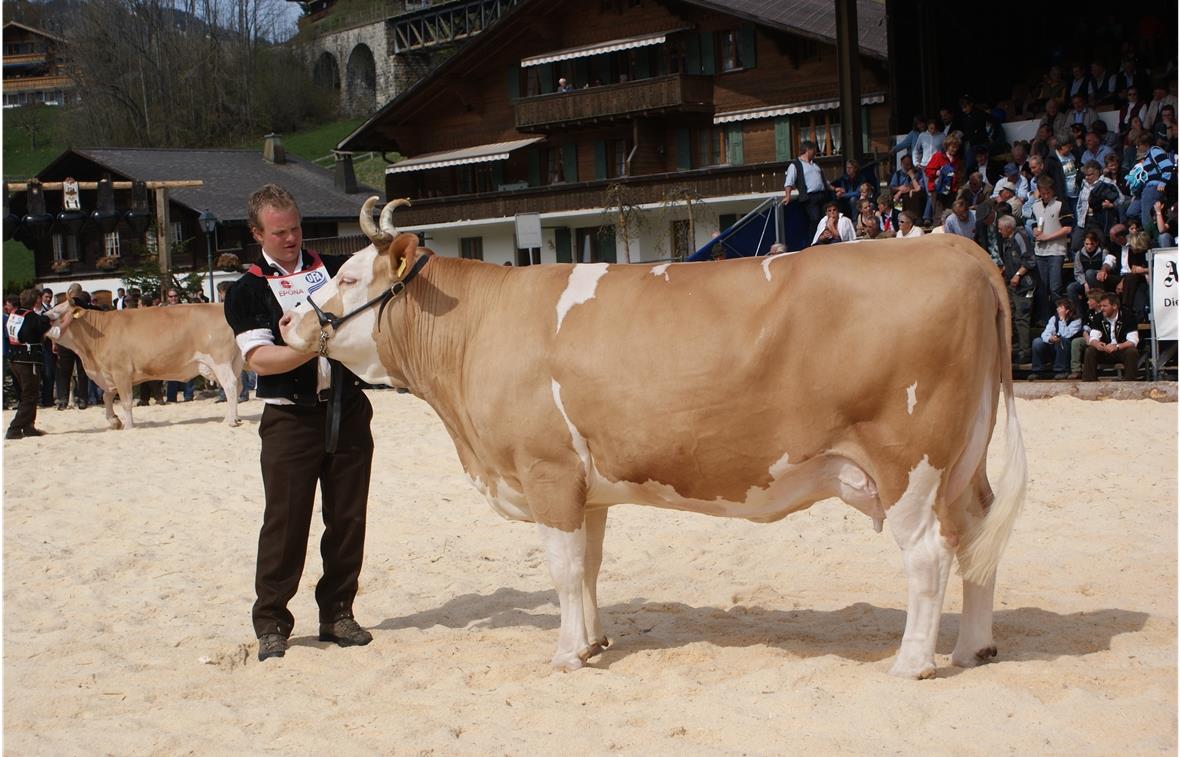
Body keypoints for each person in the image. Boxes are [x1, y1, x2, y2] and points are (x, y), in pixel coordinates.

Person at [223, 184, 376, 662]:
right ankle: (271, 621)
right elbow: (259, 360)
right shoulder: (248, 289)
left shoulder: (334, 272)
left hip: (347, 408)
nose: (290, 238)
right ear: (257, 234)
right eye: (279, 231)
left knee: (348, 518)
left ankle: (337, 613)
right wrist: (306, 348)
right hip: (290, 418)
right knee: (286, 522)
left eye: (295, 228)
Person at [5, 289, 57, 439]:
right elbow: (52, 331)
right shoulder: (33, 318)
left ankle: (29, 427)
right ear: (37, 301)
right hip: (28, 361)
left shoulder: (14, 314)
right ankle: (14, 428)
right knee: (30, 395)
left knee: (27, 395)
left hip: (15, 359)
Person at [1031, 177, 1073, 323]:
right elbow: (1034, 223)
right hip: (1040, 251)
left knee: (1055, 287)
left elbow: (1068, 227)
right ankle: (1045, 318)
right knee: (1042, 288)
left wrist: (1048, 237)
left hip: (1056, 251)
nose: (1046, 196)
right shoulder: (1035, 205)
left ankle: (1060, 317)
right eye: (1043, 193)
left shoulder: (1060, 204)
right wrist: (1035, 231)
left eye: (1048, 192)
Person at [997, 214, 1036, 365]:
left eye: (1001, 229)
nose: (999, 231)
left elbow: (1029, 260)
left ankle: (1024, 352)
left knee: (1022, 317)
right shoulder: (1006, 241)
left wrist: (1018, 274)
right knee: (1010, 316)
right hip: (1011, 285)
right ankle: (1012, 349)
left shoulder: (1020, 237)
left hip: (1024, 285)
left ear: (1009, 228)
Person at [1081, 293, 1139, 381]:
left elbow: (1133, 340)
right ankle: (1089, 382)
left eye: (1105, 306)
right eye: (1101, 306)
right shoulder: (1098, 317)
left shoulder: (1127, 316)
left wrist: (1117, 347)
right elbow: (1093, 338)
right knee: (1090, 350)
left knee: (1132, 351)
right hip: (1105, 350)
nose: (1102, 309)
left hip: (1121, 350)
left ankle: (1130, 383)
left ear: (1114, 306)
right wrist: (1097, 344)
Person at [782, 140, 830, 244]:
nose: (815, 153)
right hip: (809, 197)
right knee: (815, 218)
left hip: (822, 195)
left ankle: (825, 240)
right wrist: (788, 195)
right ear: (808, 150)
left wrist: (834, 189)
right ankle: (814, 241)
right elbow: (789, 181)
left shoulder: (815, 164)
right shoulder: (795, 165)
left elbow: (824, 180)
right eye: (814, 150)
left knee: (825, 219)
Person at [1125, 132, 1175, 229]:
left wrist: (1163, 182)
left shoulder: (1155, 151)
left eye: (1138, 145)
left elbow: (1168, 166)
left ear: (1146, 144)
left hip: (1153, 188)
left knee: (1146, 219)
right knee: (1131, 212)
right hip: (1145, 189)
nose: (1137, 147)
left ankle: (1151, 235)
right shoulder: (1147, 156)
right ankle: (1153, 222)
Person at [54, 283, 91, 410]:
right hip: (79, 342)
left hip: (67, 342)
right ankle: (82, 399)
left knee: (66, 372)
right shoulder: (85, 305)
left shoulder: (62, 307)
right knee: (82, 372)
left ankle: (63, 400)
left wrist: (55, 342)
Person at [1029, 298, 1082, 380]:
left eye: (1060, 308)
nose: (1058, 309)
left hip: (1066, 348)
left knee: (1063, 340)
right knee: (1037, 342)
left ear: (1067, 310)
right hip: (1052, 346)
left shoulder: (1076, 320)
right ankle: (1037, 371)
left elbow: (1066, 335)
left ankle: (1061, 370)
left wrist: (1062, 319)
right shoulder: (1054, 318)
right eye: (1058, 307)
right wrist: (1050, 339)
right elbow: (1045, 333)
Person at [162, 289, 195, 403]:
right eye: (171, 296)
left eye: (175, 296)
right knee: (171, 369)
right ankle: (171, 397)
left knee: (189, 368)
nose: (173, 298)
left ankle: (188, 395)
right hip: (170, 342)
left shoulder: (185, 309)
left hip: (185, 341)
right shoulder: (164, 311)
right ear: (167, 298)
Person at [925, 134, 963, 220]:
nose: (955, 149)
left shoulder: (957, 160)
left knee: (950, 215)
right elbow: (927, 171)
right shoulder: (938, 156)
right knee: (939, 215)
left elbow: (958, 175)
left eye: (956, 147)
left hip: (951, 191)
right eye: (953, 147)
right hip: (938, 190)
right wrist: (937, 172)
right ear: (947, 146)